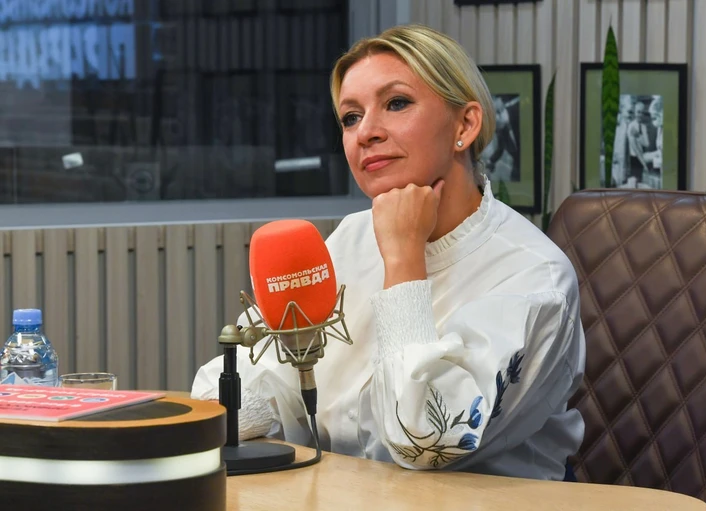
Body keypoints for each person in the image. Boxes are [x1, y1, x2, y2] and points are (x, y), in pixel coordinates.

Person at [191, 23, 586, 482]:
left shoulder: (537, 278)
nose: (366, 133)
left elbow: (424, 441)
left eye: (396, 103)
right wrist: (226, 411)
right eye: (350, 117)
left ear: (465, 125)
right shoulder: (349, 238)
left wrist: (403, 257)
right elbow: (243, 387)